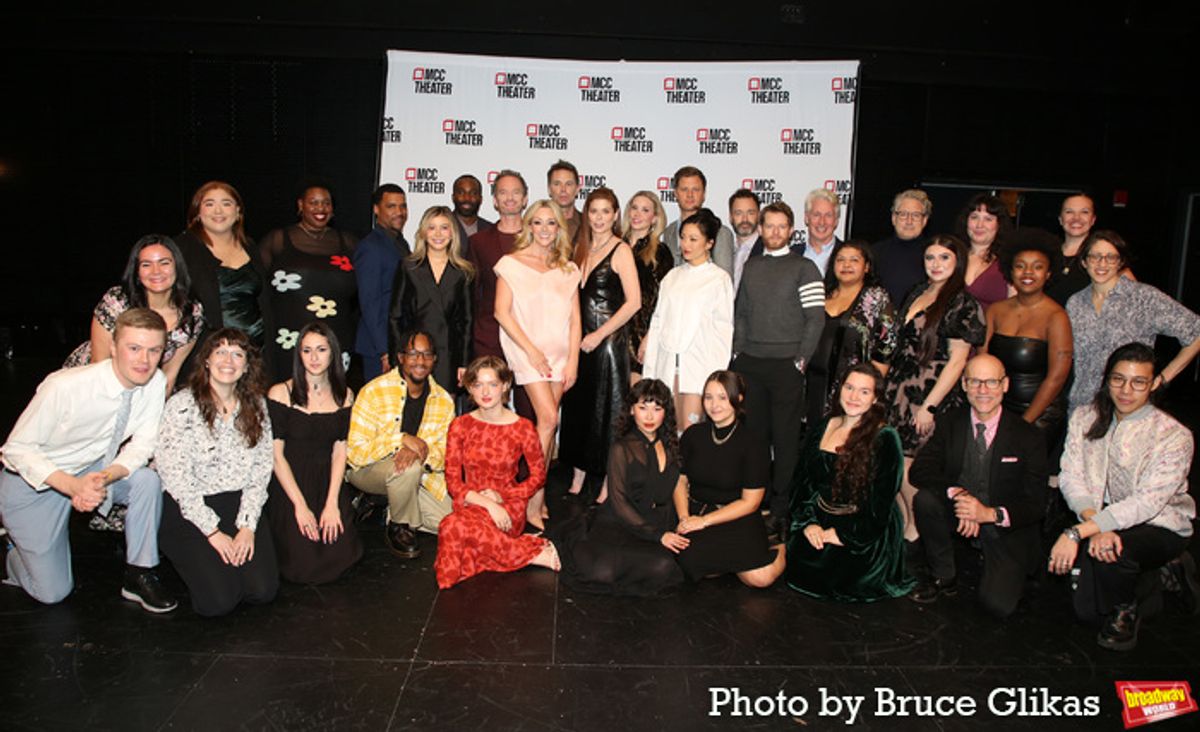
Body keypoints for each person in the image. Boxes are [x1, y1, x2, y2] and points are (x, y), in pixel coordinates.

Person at [1, 309, 175, 612]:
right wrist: (72, 486)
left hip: (90, 469)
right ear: (113, 347)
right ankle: (10, 552)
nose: (144, 360)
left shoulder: (155, 383)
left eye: (154, 350)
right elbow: (15, 450)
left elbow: (144, 444)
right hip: (34, 483)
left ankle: (140, 573)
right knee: (52, 593)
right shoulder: (65, 386)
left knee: (146, 480)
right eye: (134, 348)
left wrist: (105, 477)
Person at [1050, 343, 1196, 650]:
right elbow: (1071, 477)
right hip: (1101, 517)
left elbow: (1146, 503)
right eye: (1118, 379)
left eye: (1138, 382)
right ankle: (1152, 576)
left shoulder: (1174, 435)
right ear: (1107, 380)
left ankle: (1127, 607)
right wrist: (1096, 524)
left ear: (1154, 384)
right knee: (1087, 613)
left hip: (1159, 523)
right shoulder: (1084, 417)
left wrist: (1077, 533)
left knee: (1116, 555)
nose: (1126, 391)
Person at [907, 354, 1048, 618]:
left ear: (1005, 385)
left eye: (991, 382)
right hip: (961, 510)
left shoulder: (1028, 436)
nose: (983, 390)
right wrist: (960, 494)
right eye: (975, 382)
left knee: (997, 606)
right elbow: (920, 470)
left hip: (1004, 525)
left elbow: (1037, 503)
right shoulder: (950, 422)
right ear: (964, 384)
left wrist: (988, 514)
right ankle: (943, 575)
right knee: (925, 500)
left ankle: (1011, 571)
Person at [156, 328, 278, 617]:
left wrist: (247, 526)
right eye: (220, 352)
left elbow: (261, 469)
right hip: (190, 507)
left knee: (262, 591)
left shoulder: (257, 405)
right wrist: (213, 532)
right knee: (219, 602)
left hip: (237, 502)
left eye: (237, 354)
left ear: (247, 366)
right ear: (207, 361)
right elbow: (176, 477)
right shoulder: (182, 405)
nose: (228, 360)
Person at [885, 234, 986, 541]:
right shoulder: (918, 292)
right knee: (892, 465)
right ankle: (905, 529)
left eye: (944, 258)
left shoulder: (962, 302)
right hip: (898, 391)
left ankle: (918, 533)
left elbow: (957, 361)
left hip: (927, 395)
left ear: (958, 262)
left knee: (911, 468)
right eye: (930, 257)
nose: (936, 264)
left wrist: (929, 406)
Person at [732, 201, 824, 535]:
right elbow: (741, 313)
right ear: (760, 229)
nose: (774, 232)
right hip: (751, 364)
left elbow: (816, 319)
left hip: (787, 366)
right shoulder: (753, 266)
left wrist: (800, 360)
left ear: (791, 230)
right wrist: (738, 352)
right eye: (769, 226)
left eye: (781, 226)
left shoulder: (805, 268)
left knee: (785, 441)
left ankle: (781, 510)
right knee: (755, 440)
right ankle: (754, 503)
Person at [787, 365, 915, 602]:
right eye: (849, 388)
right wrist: (808, 523)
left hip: (862, 527)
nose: (854, 397)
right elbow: (803, 483)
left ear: (875, 398)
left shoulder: (885, 437)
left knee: (841, 577)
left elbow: (881, 503)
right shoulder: (825, 425)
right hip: (820, 516)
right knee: (800, 567)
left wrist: (843, 535)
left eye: (864, 392)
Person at [550, 378, 686, 596]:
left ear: (666, 412)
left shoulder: (671, 444)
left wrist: (680, 520)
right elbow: (619, 502)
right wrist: (658, 535)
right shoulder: (621, 448)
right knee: (600, 571)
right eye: (642, 408)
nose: (649, 416)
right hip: (621, 521)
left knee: (665, 566)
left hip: (657, 520)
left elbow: (675, 486)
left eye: (657, 409)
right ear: (632, 410)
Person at [434, 357, 559, 589]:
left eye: (492, 384)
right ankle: (529, 551)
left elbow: (538, 476)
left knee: (451, 527)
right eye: (478, 385)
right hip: (471, 503)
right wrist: (487, 503)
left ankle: (508, 548)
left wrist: (502, 497)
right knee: (450, 571)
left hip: (508, 506)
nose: (485, 392)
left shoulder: (522, 427)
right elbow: (453, 481)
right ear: (470, 388)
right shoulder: (460, 425)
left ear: (505, 386)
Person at [494, 199, 582, 528]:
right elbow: (501, 312)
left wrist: (573, 362)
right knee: (548, 418)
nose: (544, 229)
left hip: (560, 356)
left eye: (551, 223)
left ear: (559, 228)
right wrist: (531, 351)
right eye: (538, 222)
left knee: (547, 426)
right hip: (527, 353)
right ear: (528, 226)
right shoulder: (511, 264)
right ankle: (531, 501)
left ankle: (537, 495)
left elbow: (575, 321)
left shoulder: (568, 269)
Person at [265, 322, 363, 584]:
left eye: (321, 349)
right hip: (290, 482)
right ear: (299, 354)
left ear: (333, 353)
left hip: (326, 480)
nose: (314, 357)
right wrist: (300, 506)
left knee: (341, 554)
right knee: (302, 565)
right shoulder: (281, 393)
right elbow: (276, 456)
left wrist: (332, 503)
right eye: (307, 350)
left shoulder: (345, 395)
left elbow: (340, 451)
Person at [560, 188, 641, 500]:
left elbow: (633, 303)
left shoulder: (621, 250)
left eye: (606, 211)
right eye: (594, 211)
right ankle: (578, 474)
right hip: (579, 344)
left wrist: (599, 335)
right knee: (580, 409)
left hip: (608, 345)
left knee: (608, 412)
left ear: (616, 215)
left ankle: (609, 479)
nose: (599, 218)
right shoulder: (579, 248)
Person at [346, 331, 455, 557]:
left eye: (427, 354)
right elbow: (355, 453)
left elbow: (447, 455)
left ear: (434, 360)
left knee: (451, 523)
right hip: (367, 469)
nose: (420, 361)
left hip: (420, 474)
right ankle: (400, 525)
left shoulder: (443, 400)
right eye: (413, 354)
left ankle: (389, 505)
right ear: (400, 357)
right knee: (408, 469)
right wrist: (399, 440)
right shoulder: (374, 391)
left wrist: (421, 451)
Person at [1065, 230, 1200, 412]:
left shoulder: (1144, 298)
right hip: (1083, 407)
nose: (1102, 263)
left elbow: (1196, 331)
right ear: (1084, 262)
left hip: (1129, 408)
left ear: (1120, 262)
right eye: (1095, 256)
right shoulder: (1075, 303)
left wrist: (1162, 379)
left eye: (1110, 257)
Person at [673, 371, 786, 586]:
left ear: (738, 398)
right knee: (689, 561)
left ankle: (780, 546)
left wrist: (704, 522)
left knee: (760, 579)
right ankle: (726, 563)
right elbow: (680, 480)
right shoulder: (693, 435)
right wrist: (684, 518)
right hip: (697, 511)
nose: (714, 405)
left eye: (722, 397)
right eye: (708, 397)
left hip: (737, 516)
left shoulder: (753, 443)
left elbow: (750, 502)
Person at [64, 234, 205, 395]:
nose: (156, 271)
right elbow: (99, 363)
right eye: (146, 265)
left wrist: (153, 406)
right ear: (137, 272)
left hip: (143, 387)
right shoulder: (117, 301)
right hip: (91, 384)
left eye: (164, 263)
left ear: (177, 267)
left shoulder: (191, 313)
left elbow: (169, 376)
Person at [642, 209, 734, 428]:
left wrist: (715, 377)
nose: (686, 244)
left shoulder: (718, 279)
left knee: (690, 431)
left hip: (698, 368)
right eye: (683, 237)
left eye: (693, 239)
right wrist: (650, 371)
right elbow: (657, 323)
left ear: (709, 243)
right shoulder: (671, 277)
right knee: (666, 430)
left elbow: (723, 330)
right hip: (666, 365)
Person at [260, 180, 359, 382]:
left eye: (326, 203)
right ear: (300, 205)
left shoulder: (349, 243)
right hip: (288, 339)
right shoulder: (277, 240)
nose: (320, 208)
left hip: (336, 337)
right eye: (313, 202)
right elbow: (256, 287)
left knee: (331, 392)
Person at [980, 229, 1072, 444]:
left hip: (1039, 414)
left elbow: (1057, 378)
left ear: (1048, 273)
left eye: (1037, 267)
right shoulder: (995, 310)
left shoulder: (1056, 317)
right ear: (1010, 271)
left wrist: (1024, 423)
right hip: (997, 408)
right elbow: (983, 362)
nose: (1027, 272)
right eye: (1020, 266)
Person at [175, 180, 273, 379]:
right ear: (197, 212)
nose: (218, 210)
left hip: (255, 353)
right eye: (209, 204)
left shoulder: (250, 246)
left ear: (238, 212)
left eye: (226, 203)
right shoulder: (182, 248)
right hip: (208, 356)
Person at [807, 239, 897, 429]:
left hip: (851, 390)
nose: (846, 265)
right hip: (812, 384)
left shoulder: (876, 298)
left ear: (867, 267)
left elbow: (886, 348)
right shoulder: (820, 293)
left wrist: (867, 391)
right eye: (840, 260)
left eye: (854, 260)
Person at [388, 205, 474, 395]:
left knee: (445, 410)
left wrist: (464, 362)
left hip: (448, 357)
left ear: (453, 233)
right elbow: (395, 317)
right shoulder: (409, 267)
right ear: (423, 232)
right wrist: (398, 359)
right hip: (414, 356)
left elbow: (467, 321)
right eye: (432, 227)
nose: (438, 234)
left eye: (444, 227)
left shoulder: (464, 272)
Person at [467, 169, 527, 361]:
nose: (510, 198)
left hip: (530, 338)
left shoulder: (539, 239)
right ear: (494, 200)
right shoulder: (478, 242)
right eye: (503, 192)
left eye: (516, 192)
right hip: (489, 337)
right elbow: (471, 296)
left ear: (525, 199)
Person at [354, 183, 411, 380]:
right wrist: (384, 349)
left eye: (403, 206)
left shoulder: (400, 242)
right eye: (391, 206)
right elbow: (370, 302)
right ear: (376, 209)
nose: (399, 212)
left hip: (398, 341)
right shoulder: (370, 247)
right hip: (379, 348)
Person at [622, 190, 672, 384]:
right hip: (613, 333)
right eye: (634, 208)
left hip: (641, 334)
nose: (637, 214)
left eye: (645, 210)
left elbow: (665, 298)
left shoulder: (660, 252)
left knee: (637, 395)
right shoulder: (614, 246)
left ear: (655, 218)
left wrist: (650, 336)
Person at [661, 166, 734, 275]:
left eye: (695, 189)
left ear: (704, 194)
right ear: (675, 193)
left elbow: (724, 277)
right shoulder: (669, 231)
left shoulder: (720, 232)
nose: (690, 195)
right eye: (684, 189)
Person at [955, 193, 1014, 312]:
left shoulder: (1010, 261)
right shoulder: (952, 256)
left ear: (999, 224)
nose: (979, 225)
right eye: (974, 217)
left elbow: (1017, 309)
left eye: (988, 219)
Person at [874, 189, 932, 305]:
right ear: (893, 218)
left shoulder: (934, 254)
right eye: (903, 214)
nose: (909, 221)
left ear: (925, 220)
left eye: (916, 215)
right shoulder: (875, 252)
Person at [800, 188, 842, 276]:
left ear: (836, 221)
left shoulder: (848, 255)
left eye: (828, 215)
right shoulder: (791, 254)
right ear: (806, 218)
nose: (822, 222)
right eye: (816, 215)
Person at [728, 188, 761, 290]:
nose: (745, 219)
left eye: (750, 213)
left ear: (759, 216)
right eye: (738, 213)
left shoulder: (767, 251)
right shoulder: (724, 250)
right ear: (730, 217)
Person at [450, 174, 492, 251]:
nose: (467, 198)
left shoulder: (491, 230)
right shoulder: (442, 227)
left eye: (473, 193)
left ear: (480, 199)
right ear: (453, 197)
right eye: (461, 193)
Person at [547, 159, 584, 242]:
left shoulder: (588, 224)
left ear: (577, 189)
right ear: (549, 189)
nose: (563, 189)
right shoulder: (537, 224)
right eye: (557, 184)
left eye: (569, 184)